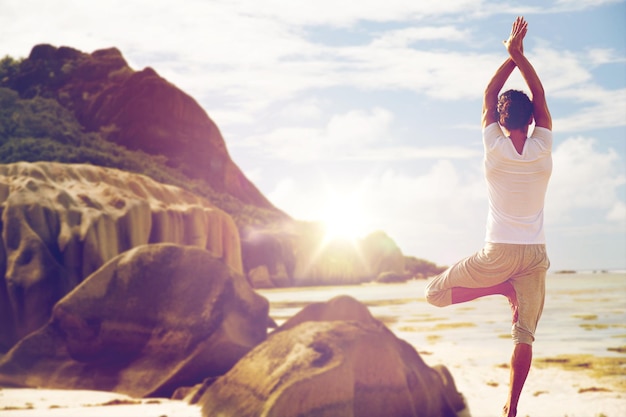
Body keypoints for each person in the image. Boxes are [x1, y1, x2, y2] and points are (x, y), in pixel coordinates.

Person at [424, 16, 552, 417]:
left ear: (500, 121)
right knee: (524, 335)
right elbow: (540, 94)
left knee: (434, 293)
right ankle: (511, 410)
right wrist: (521, 57)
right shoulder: (543, 146)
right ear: (530, 121)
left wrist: (510, 56)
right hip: (533, 255)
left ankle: (499, 289)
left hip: (497, 253)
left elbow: (488, 93)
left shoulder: (492, 146)